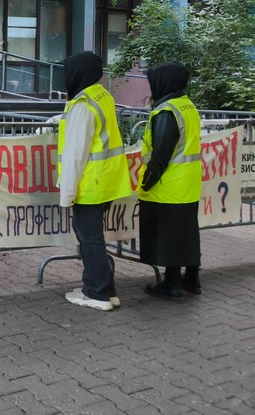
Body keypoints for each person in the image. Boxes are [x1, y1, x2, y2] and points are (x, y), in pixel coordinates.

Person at [58, 51, 132, 311]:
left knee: (90, 240)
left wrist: (66, 194)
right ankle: (105, 290)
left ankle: (97, 293)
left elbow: (76, 154)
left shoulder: (82, 105)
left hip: (91, 184)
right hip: (108, 181)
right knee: (93, 238)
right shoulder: (101, 96)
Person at [138, 62, 202, 300]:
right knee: (187, 232)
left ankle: (172, 284)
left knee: (170, 235)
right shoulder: (187, 106)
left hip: (169, 184)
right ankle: (192, 278)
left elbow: (161, 155)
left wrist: (147, 182)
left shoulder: (167, 111)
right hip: (188, 182)